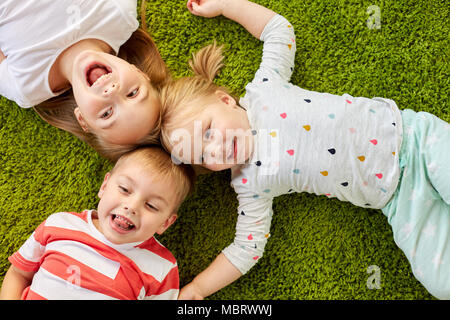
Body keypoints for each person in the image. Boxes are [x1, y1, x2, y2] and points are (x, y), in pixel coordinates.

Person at [158, 0, 450, 299]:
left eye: (207, 131)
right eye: (203, 157)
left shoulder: (263, 90)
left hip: (414, 139)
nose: (216, 150)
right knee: (442, 282)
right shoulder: (249, 184)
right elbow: (247, 247)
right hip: (399, 200)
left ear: (224, 100)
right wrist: (198, 289)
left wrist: (226, 5)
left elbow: (279, 31)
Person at [0, 146, 196, 300]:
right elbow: (19, 274)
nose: (131, 206)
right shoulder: (60, 224)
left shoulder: (162, 266)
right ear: (104, 186)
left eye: (152, 206)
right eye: (125, 189)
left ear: (166, 223)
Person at [0, 0, 168, 161]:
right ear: (139, 72)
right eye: (132, 93)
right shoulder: (120, 15)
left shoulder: (26, 87)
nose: (112, 91)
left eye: (107, 114)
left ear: (82, 119)